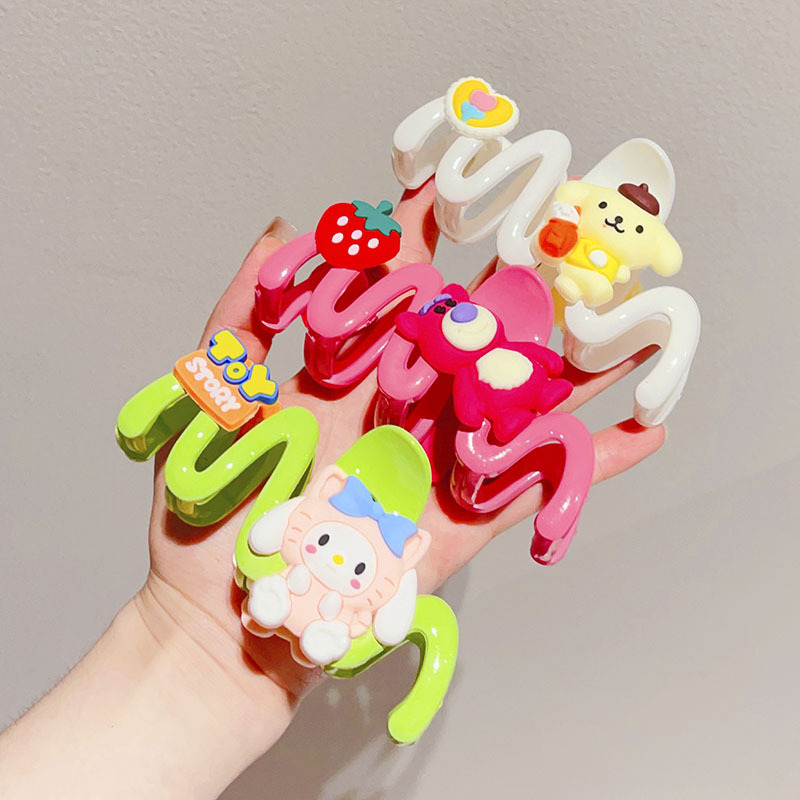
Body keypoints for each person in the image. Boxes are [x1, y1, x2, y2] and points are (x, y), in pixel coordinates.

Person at [0, 181, 664, 799]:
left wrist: (205, 665)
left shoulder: (373, 548)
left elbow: (407, 616)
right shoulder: (309, 503)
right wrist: (196, 633)